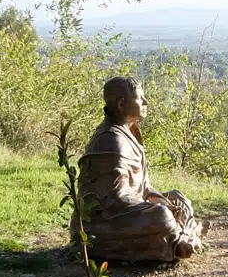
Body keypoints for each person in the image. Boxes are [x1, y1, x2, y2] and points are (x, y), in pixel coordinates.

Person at [75, 76, 206, 262]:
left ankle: (183, 237)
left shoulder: (130, 132)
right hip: (102, 222)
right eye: (140, 98)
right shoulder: (111, 139)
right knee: (161, 216)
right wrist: (159, 207)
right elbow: (114, 200)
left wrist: (162, 200)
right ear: (121, 104)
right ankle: (183, 239)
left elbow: (142, 188)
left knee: (178, 198)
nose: (146, 102)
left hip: (129, 209)